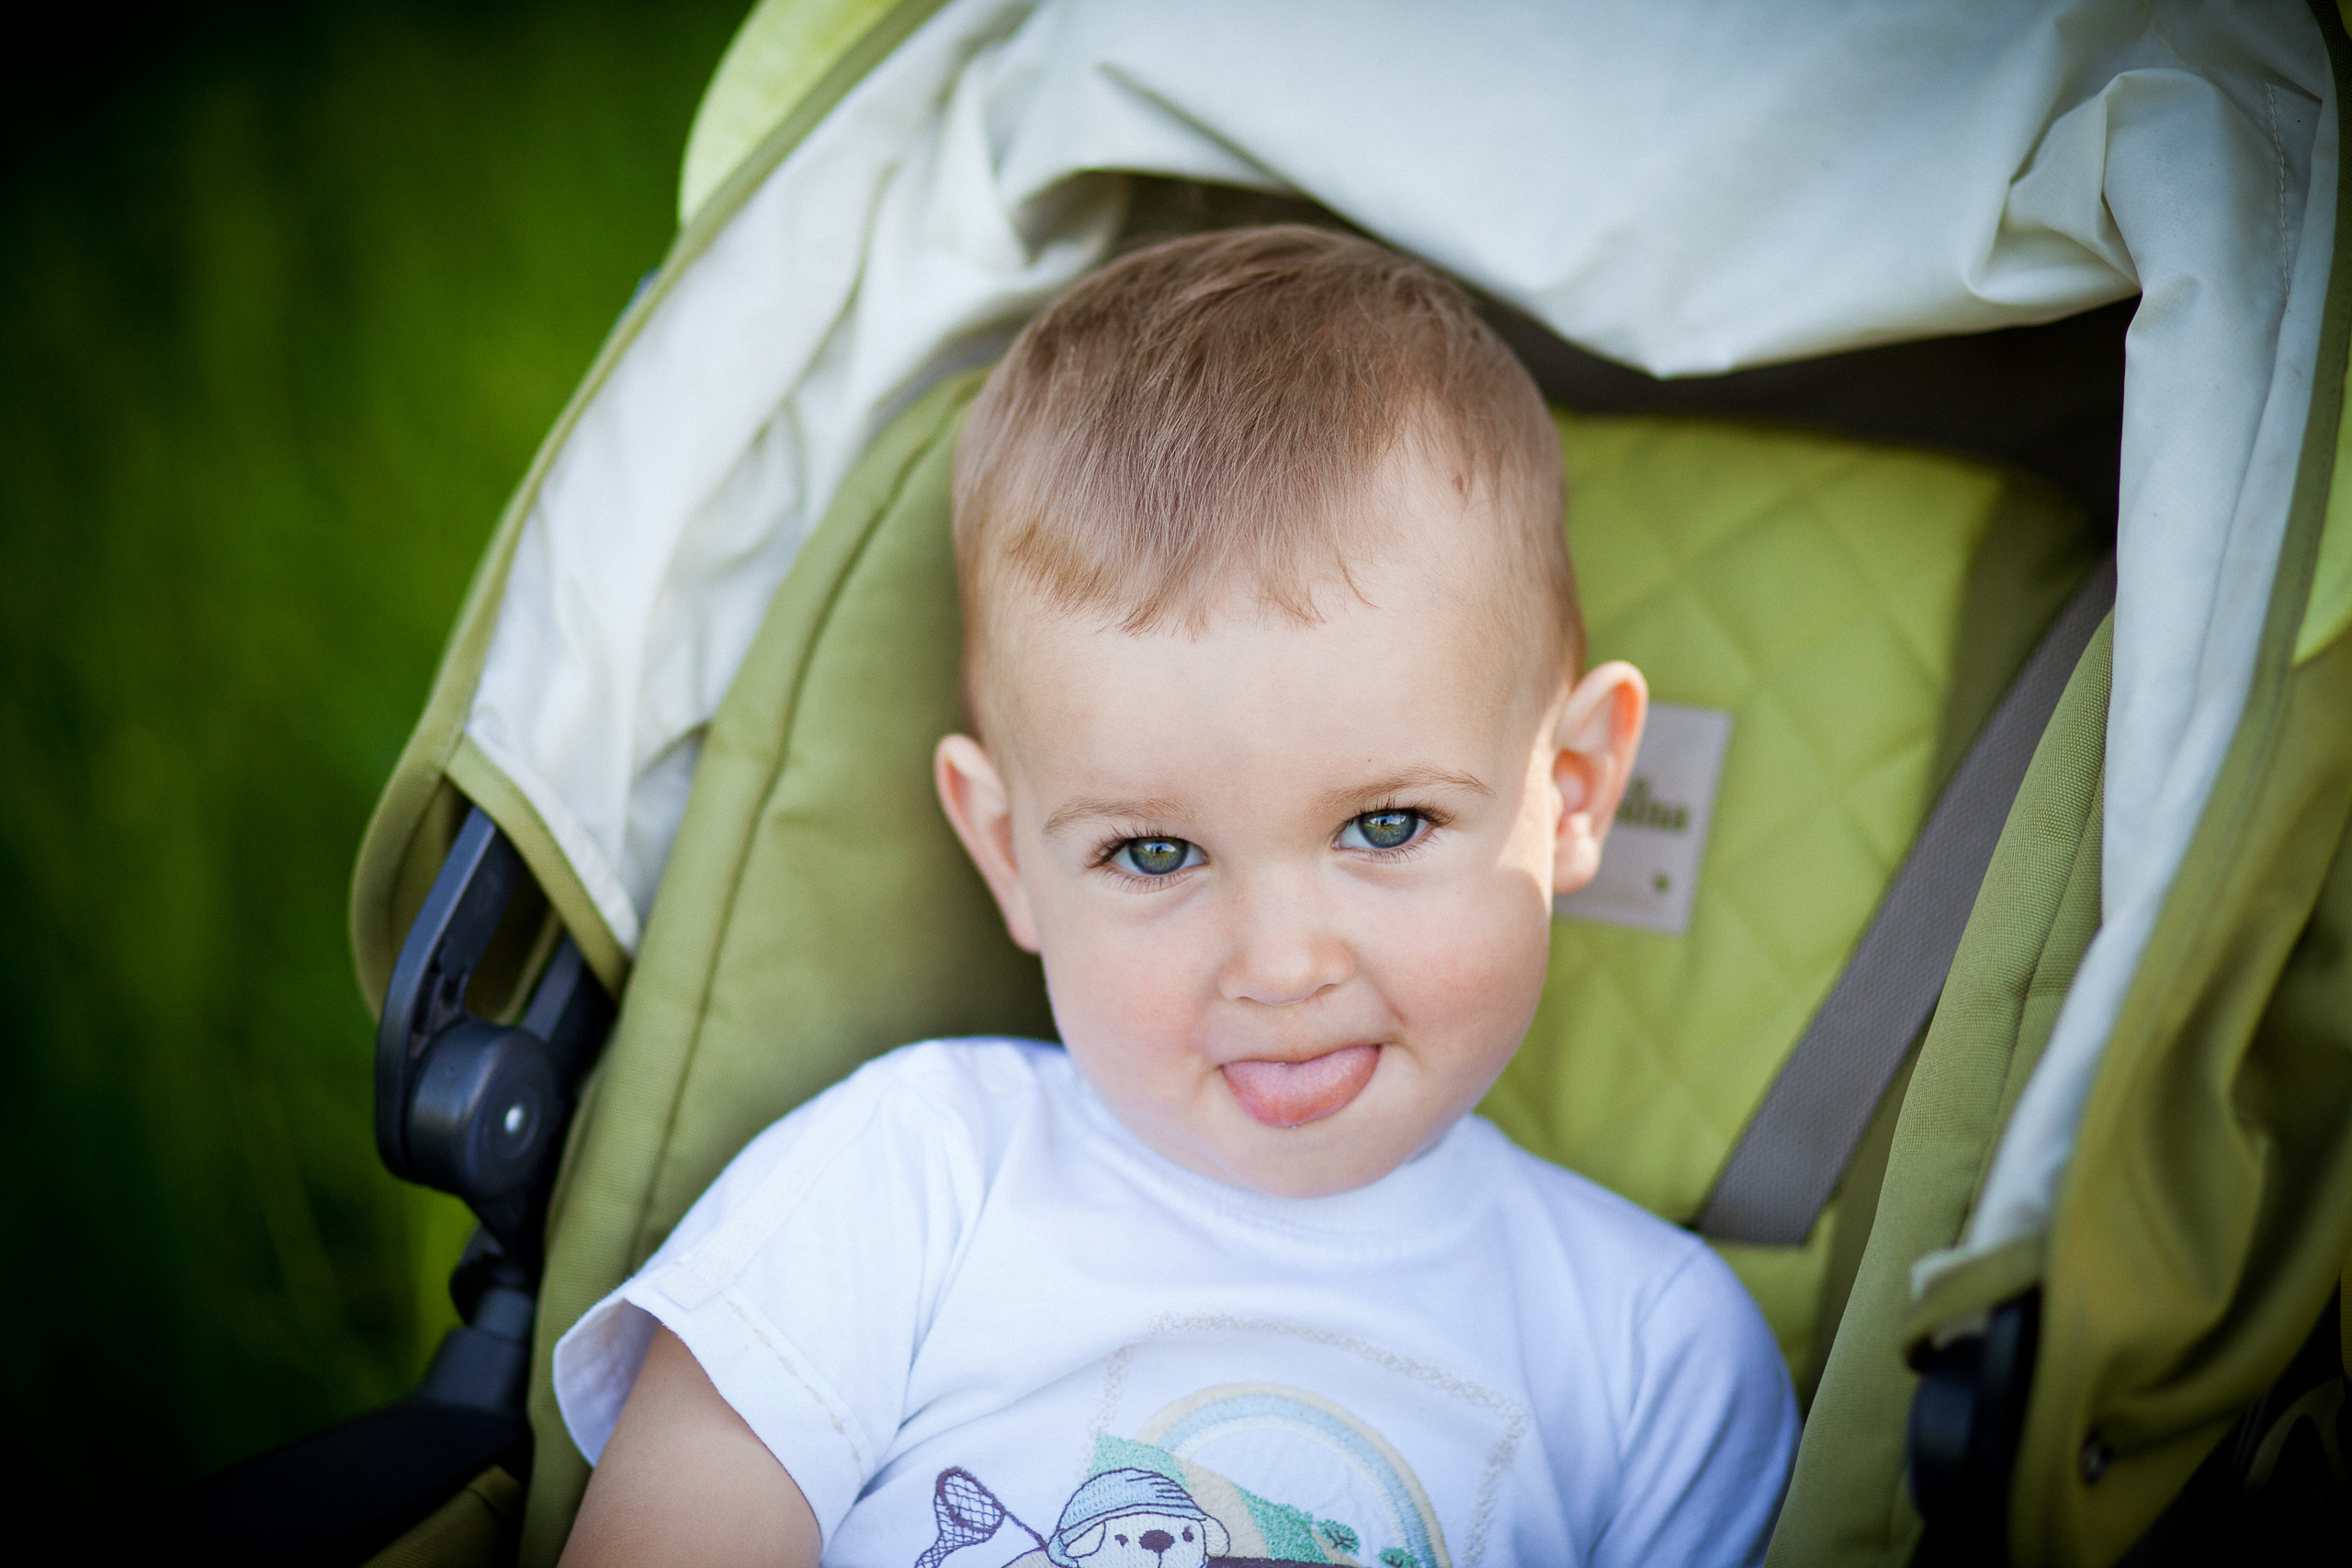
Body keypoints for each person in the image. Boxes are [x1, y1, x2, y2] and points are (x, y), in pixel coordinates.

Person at [553, 225, 1797, 1568]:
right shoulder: (908, 1176)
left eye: (1386, 826)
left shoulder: (1654, 1360)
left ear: (1576, 790)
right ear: (1008, 852)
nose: (1281, 965)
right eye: (1154, 854)